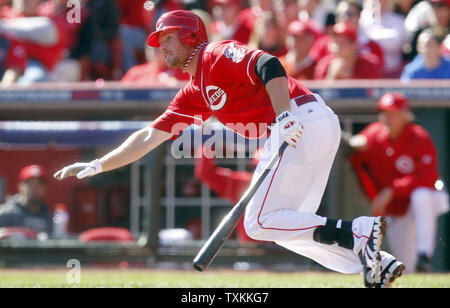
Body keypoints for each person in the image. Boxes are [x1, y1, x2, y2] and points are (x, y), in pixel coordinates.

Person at [54, 10, 404, 288]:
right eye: (159, 39)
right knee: (290, 228)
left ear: (191, 37)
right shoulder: (192, 92)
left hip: (299, 120)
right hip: (302, 128)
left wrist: (283, 115)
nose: (162, 46)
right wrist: (100, 163)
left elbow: (269, 65)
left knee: (259, 222)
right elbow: (150, 136)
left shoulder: (215, 53)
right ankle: (374, 258)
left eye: (169, 37)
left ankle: (359, 231)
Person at [347, 92, 449, 272]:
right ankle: (420, 266)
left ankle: (425, 254)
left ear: (405, 115)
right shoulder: (373, 133)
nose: (387, 118)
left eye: (393, 113)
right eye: (384, 112)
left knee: (421, 195)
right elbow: (357, 160)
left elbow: (428, 177)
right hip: (397, 210)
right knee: (407, 269)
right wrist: (353, 147)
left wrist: (392, 190)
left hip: (429, 198)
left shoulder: (419, 137)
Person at [314, 22, 382, 79]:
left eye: (342, 43)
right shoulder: (324, 64)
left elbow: (373, 92)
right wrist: (331, 77)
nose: (337, 47)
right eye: (335, 42)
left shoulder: (370, 64)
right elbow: (319, 92)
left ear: (354, 45)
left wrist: (350, 78)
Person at [0, 165, 53, 236]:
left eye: (39, 184)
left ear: (45, 188)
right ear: (21, 186)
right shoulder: (6, 213)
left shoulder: (48, 215)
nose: (35, 188)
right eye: (30, 183)